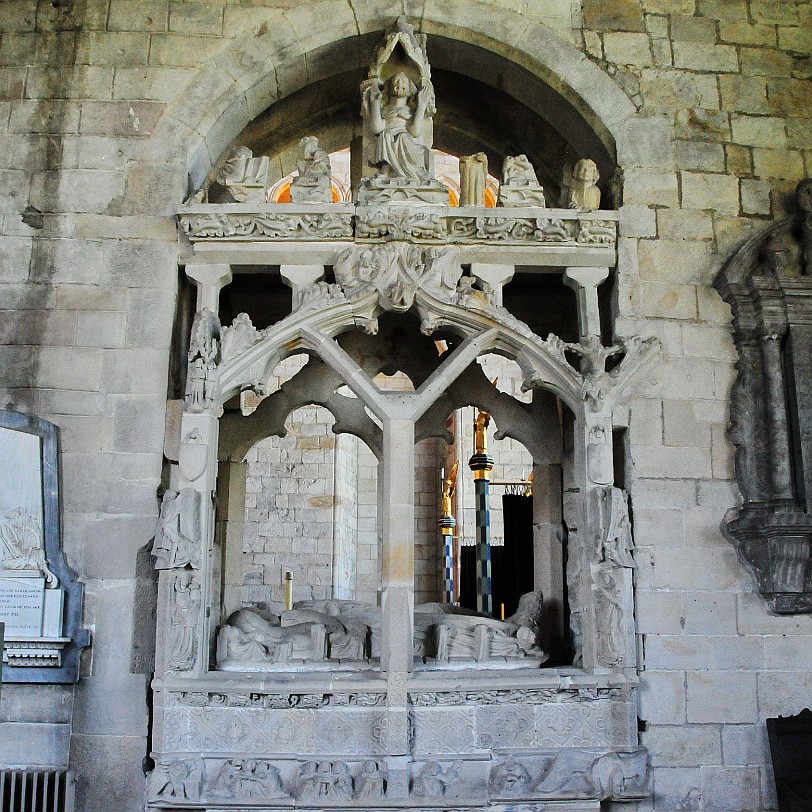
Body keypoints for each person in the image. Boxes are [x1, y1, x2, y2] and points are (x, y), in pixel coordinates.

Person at [363, 71, 434, 182]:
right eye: (396, 81)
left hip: (408, 141)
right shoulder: (386, 110)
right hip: (388, 140)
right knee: (385, 135)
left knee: (403, 137)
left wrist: (422, 104)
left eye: (403, 82)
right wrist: (375, 102)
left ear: (409, 88)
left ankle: (415, 170)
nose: (400, 84)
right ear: (390, 88)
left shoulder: (410, 111)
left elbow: (415, 131)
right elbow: (376, 128)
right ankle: (387, 169)